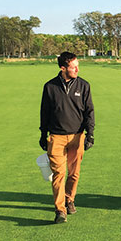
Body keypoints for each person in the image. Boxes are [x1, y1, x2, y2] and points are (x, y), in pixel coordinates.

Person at [40, 51, 95, 224]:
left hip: (77, 137)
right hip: (56, 137)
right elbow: (44, 112)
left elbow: (89, 111)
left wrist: (90, 135)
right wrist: (43, 134)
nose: (77, 69)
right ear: (63, 68)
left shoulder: (84, 86)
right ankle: (60, 210)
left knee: (74, 173)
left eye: (78, 65)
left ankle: (70, 199)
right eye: (73, 67)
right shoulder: (50, 87)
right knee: (59, 173)